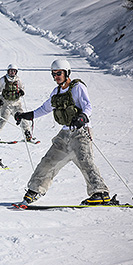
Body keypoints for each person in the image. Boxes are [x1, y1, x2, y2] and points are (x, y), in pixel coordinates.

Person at [14, 59, 111, 205]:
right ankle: (35, 190)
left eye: (58, 73)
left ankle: (100, 193)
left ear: (66, 72)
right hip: (64, 134)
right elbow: (45, 108)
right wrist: (26, 115)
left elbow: (88, 106)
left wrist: (83, 117)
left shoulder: (77, 87)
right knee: (48, 162)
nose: (56, 77)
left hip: (80, 132)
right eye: (53, 74)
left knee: (86, 162)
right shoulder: (57, 92)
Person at [0, 64, 34, 143]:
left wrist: (22, 91)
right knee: (4, 118)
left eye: (14, 71)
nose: (12, 72)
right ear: (8, 71)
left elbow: (22, 87)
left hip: (16, 103)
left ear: (16, 72)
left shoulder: (18, 80)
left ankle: (27, 133)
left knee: (22, 117)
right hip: (6, 103)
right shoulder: (3, 80)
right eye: (11, 71)